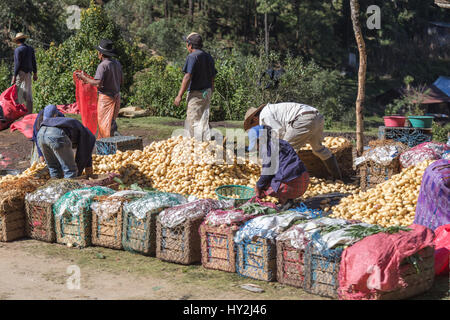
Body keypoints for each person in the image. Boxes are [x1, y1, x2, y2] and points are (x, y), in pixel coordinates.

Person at [244, 102, 342, 180]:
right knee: (318, 149)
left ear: (255, 118)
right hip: (317, 116)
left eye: (253, 126)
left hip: (303, 119)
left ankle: (288, 180)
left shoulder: (265, 116)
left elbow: (276, 138)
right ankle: (338, 177)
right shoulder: (271, 110)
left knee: (285, 152)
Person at [248, 125, 310, 210]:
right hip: (304, 181)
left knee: (266, 186)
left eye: (256, 144)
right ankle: (288, 200)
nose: (256, 148)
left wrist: (258, 187)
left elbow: (267, 172)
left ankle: (285, 200)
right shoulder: (282, 143)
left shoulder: (268, 148)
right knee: (276, 178)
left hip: (293, 185)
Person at [75, 39, 123, 139]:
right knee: (110, 122)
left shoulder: (103, 66)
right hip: (116, 97)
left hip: (106, 99)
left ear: (100, 54)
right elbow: (121, 81)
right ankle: (114, 141)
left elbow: (98, 83)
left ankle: (109, 147)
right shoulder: (117, 64)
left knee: (104, 125)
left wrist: (84, 78)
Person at [32, 105, 96, 179]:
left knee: (53, 167)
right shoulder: (89, 137)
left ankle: (56, 189)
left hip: (40, 134)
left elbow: (85, 155)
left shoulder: (78, 129)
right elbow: (83, 156)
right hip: (55, 135)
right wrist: (80, 172)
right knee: (70, 170)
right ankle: (69, 190)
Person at [174, 32, 217, 141]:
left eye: (187, 43)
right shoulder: (208, 56)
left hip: (196, 94)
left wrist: (179, 95)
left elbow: (187, 76)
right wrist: (211, 89)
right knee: (203, 120)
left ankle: (194, 147)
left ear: (190, 45)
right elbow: (212, 75)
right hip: (206, 92)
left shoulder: (193, 56)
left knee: (193, 121)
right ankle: (205, 145)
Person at [11, 33, 37, 114]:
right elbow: (34, 62)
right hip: (28, 73)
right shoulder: (30, 49)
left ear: (18, 40)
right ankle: (29, 113)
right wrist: (35, 73)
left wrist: (14, 76)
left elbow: (17, 64)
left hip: (20, 72)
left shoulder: (18, 50)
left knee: (18, 93)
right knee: (28, 93)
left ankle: (19, 113)